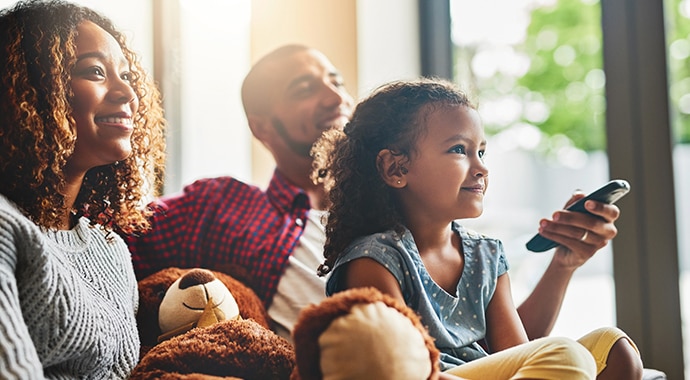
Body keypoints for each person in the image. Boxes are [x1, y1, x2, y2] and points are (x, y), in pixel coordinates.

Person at [125, 44, 623, 344]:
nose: (334, 96)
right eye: (304, 88)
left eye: (336, 81)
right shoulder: (225, 206)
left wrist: (564, 263)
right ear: (261, 126)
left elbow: (503, 349)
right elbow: (114, 231)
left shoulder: (431, 216)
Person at [314, 77, 642, 379]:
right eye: (459, 150)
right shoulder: (374, 261)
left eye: (481, 151)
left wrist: (562, 264)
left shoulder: (485, 254)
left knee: (613, 347)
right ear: (395, 167)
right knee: (565, 354)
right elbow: (396, 369)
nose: (482, 168)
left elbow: (518, 353)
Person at [0, 0, 166, 378]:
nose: (127, 93)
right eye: (94, 71)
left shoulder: (111, 251)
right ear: (24, 93)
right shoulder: (5, 228)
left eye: (126, 75)